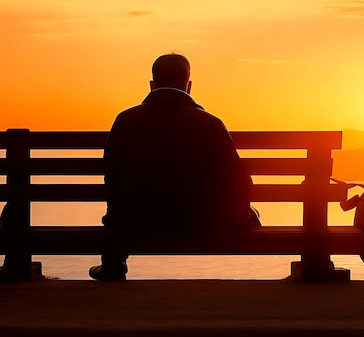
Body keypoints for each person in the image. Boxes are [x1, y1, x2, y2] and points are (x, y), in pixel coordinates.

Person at [89, 53, 260, 280]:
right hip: (203, 225)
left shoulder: (125, 121)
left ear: (152, 84)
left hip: (137, 224)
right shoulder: (212, 124)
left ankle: (113, 263)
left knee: (119, 214)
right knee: (252, 214)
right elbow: (239, 182)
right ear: (188, 86)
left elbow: (112, 178)